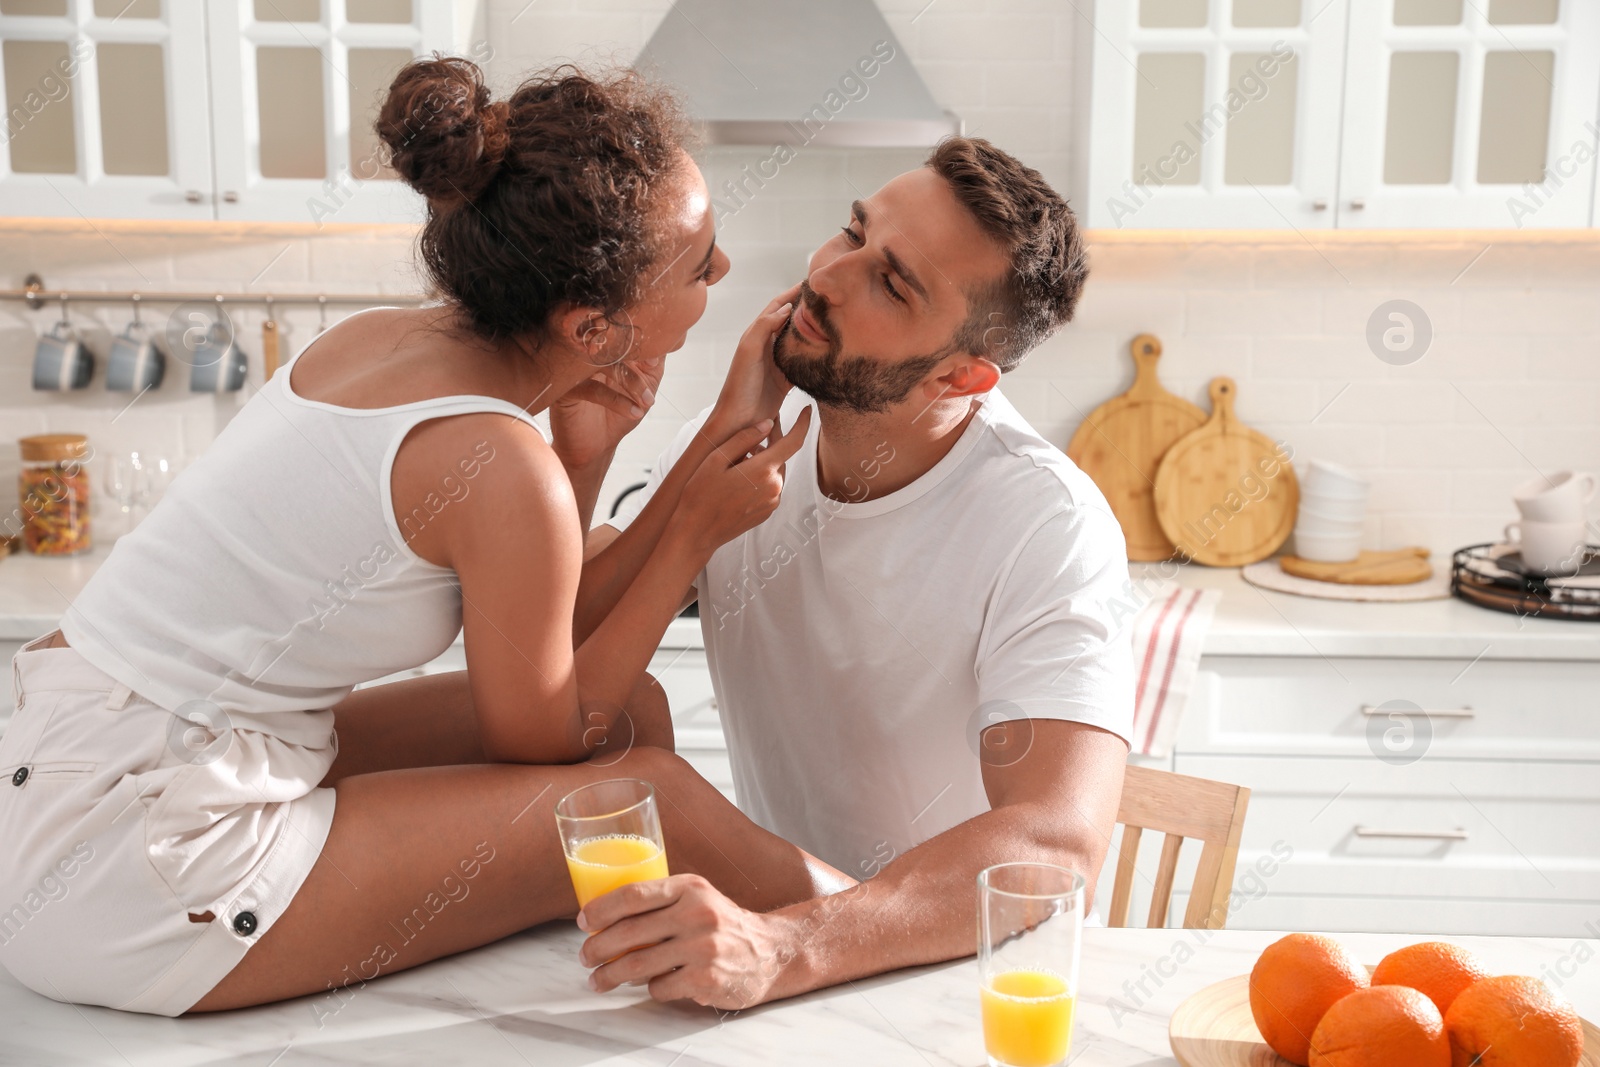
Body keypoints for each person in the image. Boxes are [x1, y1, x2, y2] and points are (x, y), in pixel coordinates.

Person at [0, 57, 844, 1017]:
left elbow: (549, 636)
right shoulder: (491, 454)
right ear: (590, 326)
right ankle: (883, 935)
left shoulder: (385, 343)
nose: (723, 272)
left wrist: (596, 450)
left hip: (88, 766)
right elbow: (553, 736)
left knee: (641, 709)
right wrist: (690, 534)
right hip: (136, 860)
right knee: (637, 780)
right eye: (701, 263)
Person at [578, 137, 1134, 1009]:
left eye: (892, 282)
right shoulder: (759, 441)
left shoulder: (1045, 524)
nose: (829, 277)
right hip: (779, 946)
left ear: (962, 374)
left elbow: (1053, 841)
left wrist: (784, 944)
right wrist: (607, 448)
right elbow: (564, 648)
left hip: (942, 983)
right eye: (851, 233)